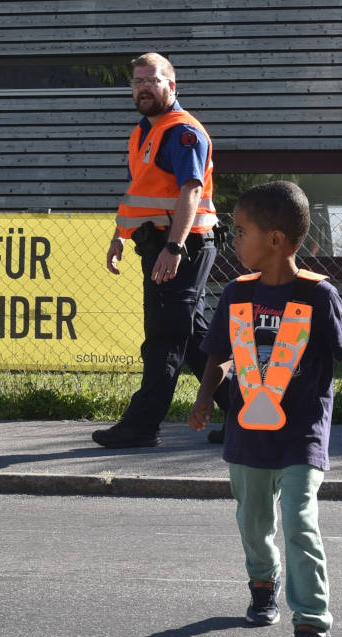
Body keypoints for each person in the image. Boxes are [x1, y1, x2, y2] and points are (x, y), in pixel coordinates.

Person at [188, 181, 342, 637]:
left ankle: (313, 627)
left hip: (301, 434)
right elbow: (218, 355)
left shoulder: (317, 295)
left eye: (241, 231)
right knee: (254, 524)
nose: (234, 240)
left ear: (275, 239)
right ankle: (263, 582)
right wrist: (205, 396)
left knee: (299, 523)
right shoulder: (237, 293)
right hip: (248, 435)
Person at [94, 52, 226, 448]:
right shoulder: (143, 132)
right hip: (161, 245)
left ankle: (141, 426)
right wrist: (120, 235)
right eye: (137, 82)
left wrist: (174, 246)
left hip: (182, 247)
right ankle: (247, 415)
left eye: (152, 80)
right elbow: (140, 194)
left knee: (164, 337)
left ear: (172, 85)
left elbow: (192, 190)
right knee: (194, 338)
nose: (143, 88)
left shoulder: (182, 132)